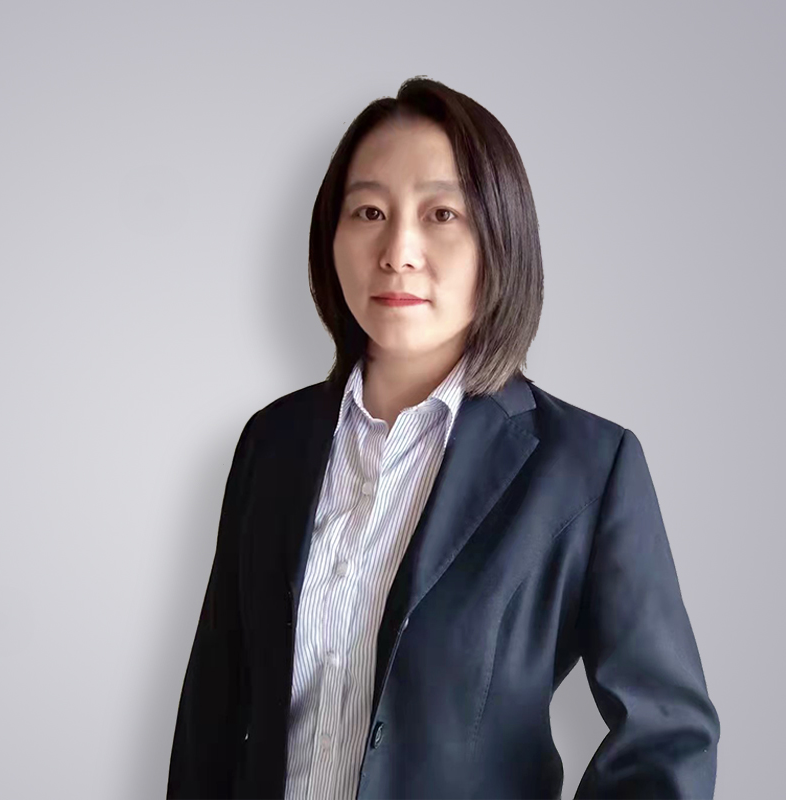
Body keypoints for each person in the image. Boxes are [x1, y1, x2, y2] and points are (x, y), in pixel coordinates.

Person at [166, 76, 720, 799]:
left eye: (442, 214)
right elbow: (211, 717)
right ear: (331, 236)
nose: (398, 250)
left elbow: (667, 737)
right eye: (369, 211)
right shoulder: (272, 443)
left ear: (500, 238)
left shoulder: (586, 468)